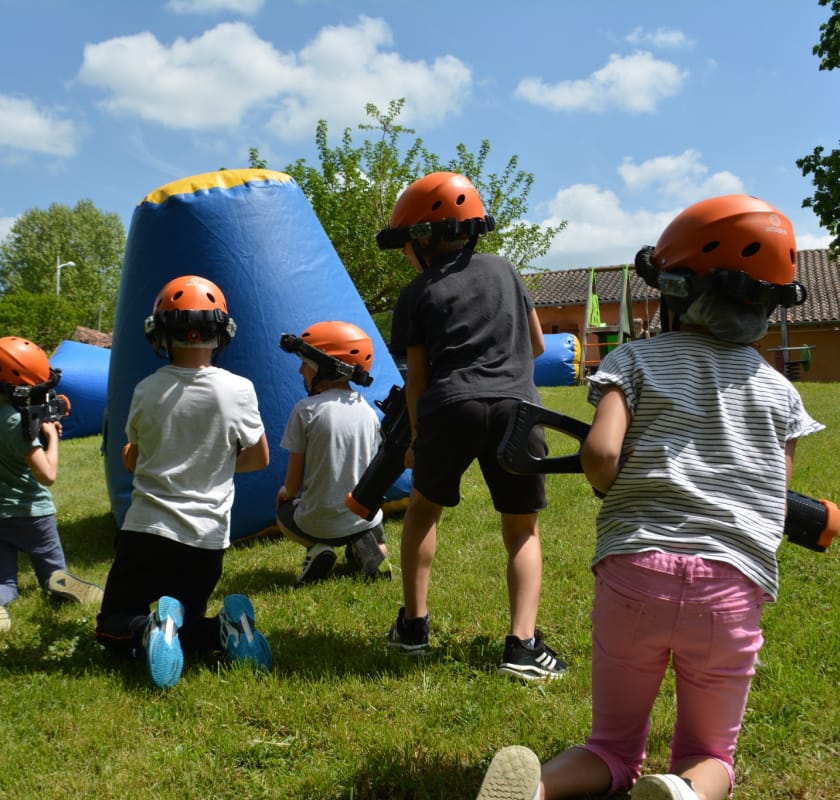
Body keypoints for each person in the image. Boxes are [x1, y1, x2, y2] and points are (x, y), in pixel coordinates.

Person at [476, 195, 824, 800]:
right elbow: (773, 497)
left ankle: (535, 792)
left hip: (636, 571)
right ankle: (684, 790)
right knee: (712, 755)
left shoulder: (633, 359)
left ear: (677, 288)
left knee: (609, 746)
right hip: (730, 584)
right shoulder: (780, 393)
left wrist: (611, 484)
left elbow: (603, 455)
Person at [377, 171, 567, 680]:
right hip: (516, 408)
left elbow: (417, 380)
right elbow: (539, 346)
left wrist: (416, 440)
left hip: (449, 407)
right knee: (522, 529)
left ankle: (414, 627)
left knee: (423, 511)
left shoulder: (417, 293)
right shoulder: (506, 270)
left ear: (422, 239)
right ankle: (522, 644)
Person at [94, 275, 272, 689]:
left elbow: (134, 458)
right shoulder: (239, 390)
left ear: (161, 334)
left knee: (113, 624)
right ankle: (224, 630)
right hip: (206, 540)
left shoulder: (146, 390)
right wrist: (216, 467)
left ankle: (149, 628)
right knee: (186, 624)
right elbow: (259, 458)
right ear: (222, 333)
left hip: (147, 531)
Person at [0, 336, 103, 633]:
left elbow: (7, 454)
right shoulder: (17, 423)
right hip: (33, 515)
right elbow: (47, 475)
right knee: (53, 577)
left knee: (7, 584)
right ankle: (61, 581)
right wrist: (52, 437)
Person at [276, 320, 392, 585]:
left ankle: (318, 549)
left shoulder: (305, 411)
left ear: (324, 367)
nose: (300, 370)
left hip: (318, 524)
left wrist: (285, 494)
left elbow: (292, 486)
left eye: (305, 363)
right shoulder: (369, 413)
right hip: (364, 519)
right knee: (368, 522)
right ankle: (374, 549)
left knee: (284, 512)